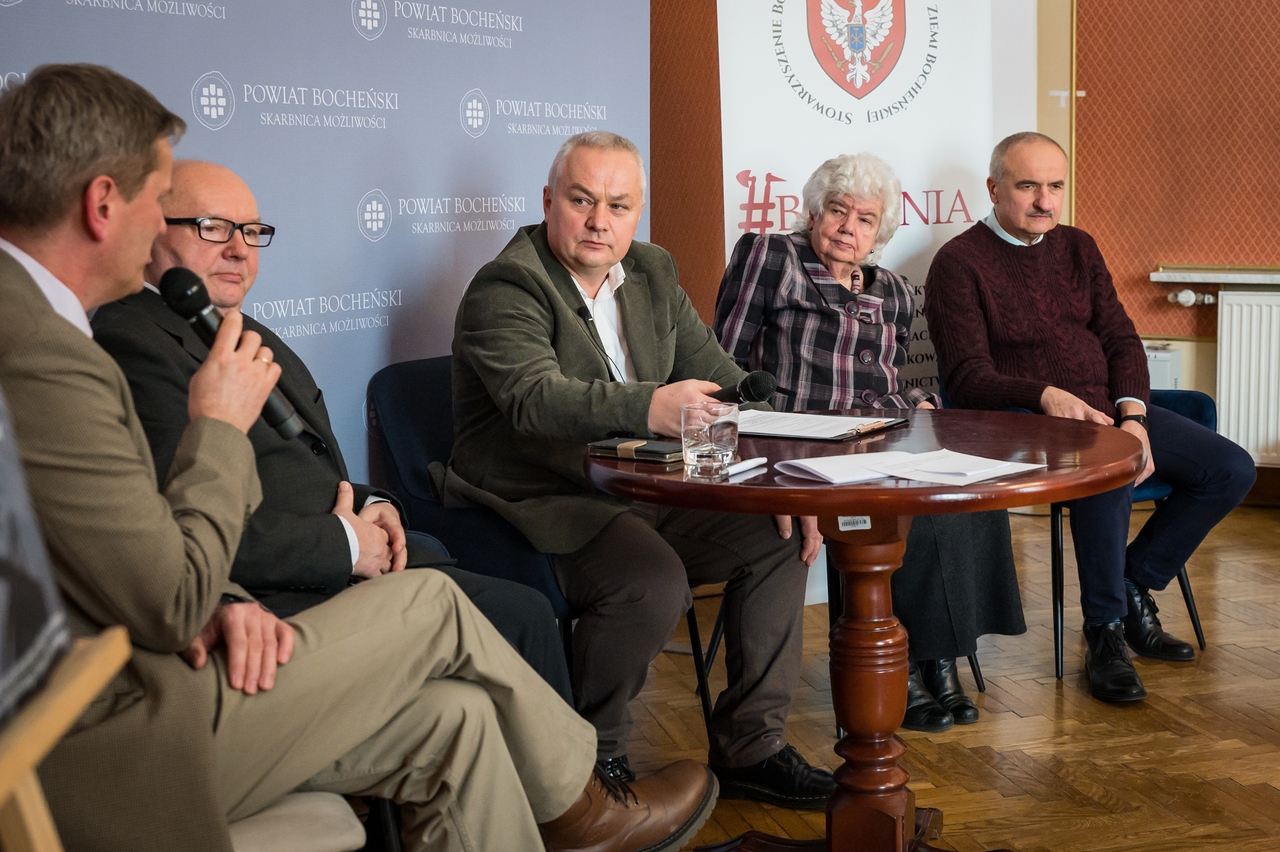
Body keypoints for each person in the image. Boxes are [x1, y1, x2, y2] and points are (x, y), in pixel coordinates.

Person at [0, 63, 716, 852]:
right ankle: (580, 809)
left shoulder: (57, 328)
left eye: (250, 232)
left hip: (172, 650)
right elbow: (163, 584)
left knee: (459, 718)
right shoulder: (48, 350)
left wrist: (239, 586)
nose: (214, 245)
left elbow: (111, 549)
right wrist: (220, 429)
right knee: (436, 605)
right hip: (115, 737)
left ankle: (573, 810)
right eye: (162, 204)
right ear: (104, 204)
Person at [445, 130, 835, 809]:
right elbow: (535, 401)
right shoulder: (507, 285)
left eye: (619, 206)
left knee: (776, 535)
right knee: (652, 583)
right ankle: (588, 764)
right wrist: (650, 406)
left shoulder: (651, 272)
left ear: (637, 213)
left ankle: (751, 748)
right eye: (582, 200)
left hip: (644, 486)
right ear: (547, 201)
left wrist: (779, 468)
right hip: (544, 494)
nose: (600, 221)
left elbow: (722, 379)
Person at [91, 160, 572, 703]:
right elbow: (183, 525)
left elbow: (307, 469)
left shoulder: (247, 330)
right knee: (518, 620)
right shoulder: (131, 341)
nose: (239, 249)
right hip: (274, 596)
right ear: (152, 230)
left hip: (352, 563)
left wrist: (376, 504)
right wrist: (345, 544)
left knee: (524, 613)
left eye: (251, 231)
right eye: (214, 227)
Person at [924, 131, 1256, 704]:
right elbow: (967, 377)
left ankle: (1132, 583)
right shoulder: (958, 263)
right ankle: (1104, 632)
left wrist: (1134, 417)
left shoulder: (1079, 246)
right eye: (1028, 186)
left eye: (1055, 186)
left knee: (1231, 469)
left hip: (1105, 410)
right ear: (994, 189)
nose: (1044, 201)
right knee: (1106, 471)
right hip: (1022, 424)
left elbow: (1122, 340)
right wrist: (1045, 395)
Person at [713, 152, 1026, 731]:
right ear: (814, 212)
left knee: (967, 493)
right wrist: (770, 453)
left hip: (879, 434)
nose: (847, 228)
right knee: (903, 511)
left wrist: (919, 403)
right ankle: (903, 668)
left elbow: (888, 382)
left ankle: (940, 660)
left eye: (864, 219)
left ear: (878, 232)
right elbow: (723, 365)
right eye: (837, 210)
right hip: (802, 443)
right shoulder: (771, 257)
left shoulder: (898, 292)